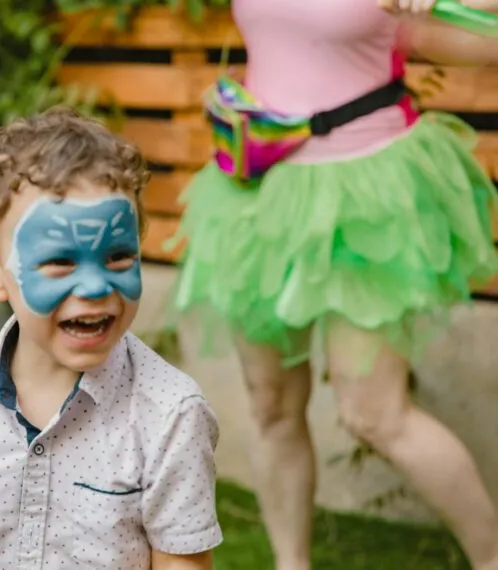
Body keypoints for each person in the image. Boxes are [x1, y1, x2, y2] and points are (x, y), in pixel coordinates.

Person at [169, 0, 498, 568]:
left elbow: (484, 39)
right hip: (258, 194)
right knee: (272, 406)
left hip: (366, 196)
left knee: (376, 414)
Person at [0, 107, 223, 570]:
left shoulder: (171, 414)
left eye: (118, 257)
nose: (96, 287)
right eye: (61, 261)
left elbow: (182, 562)